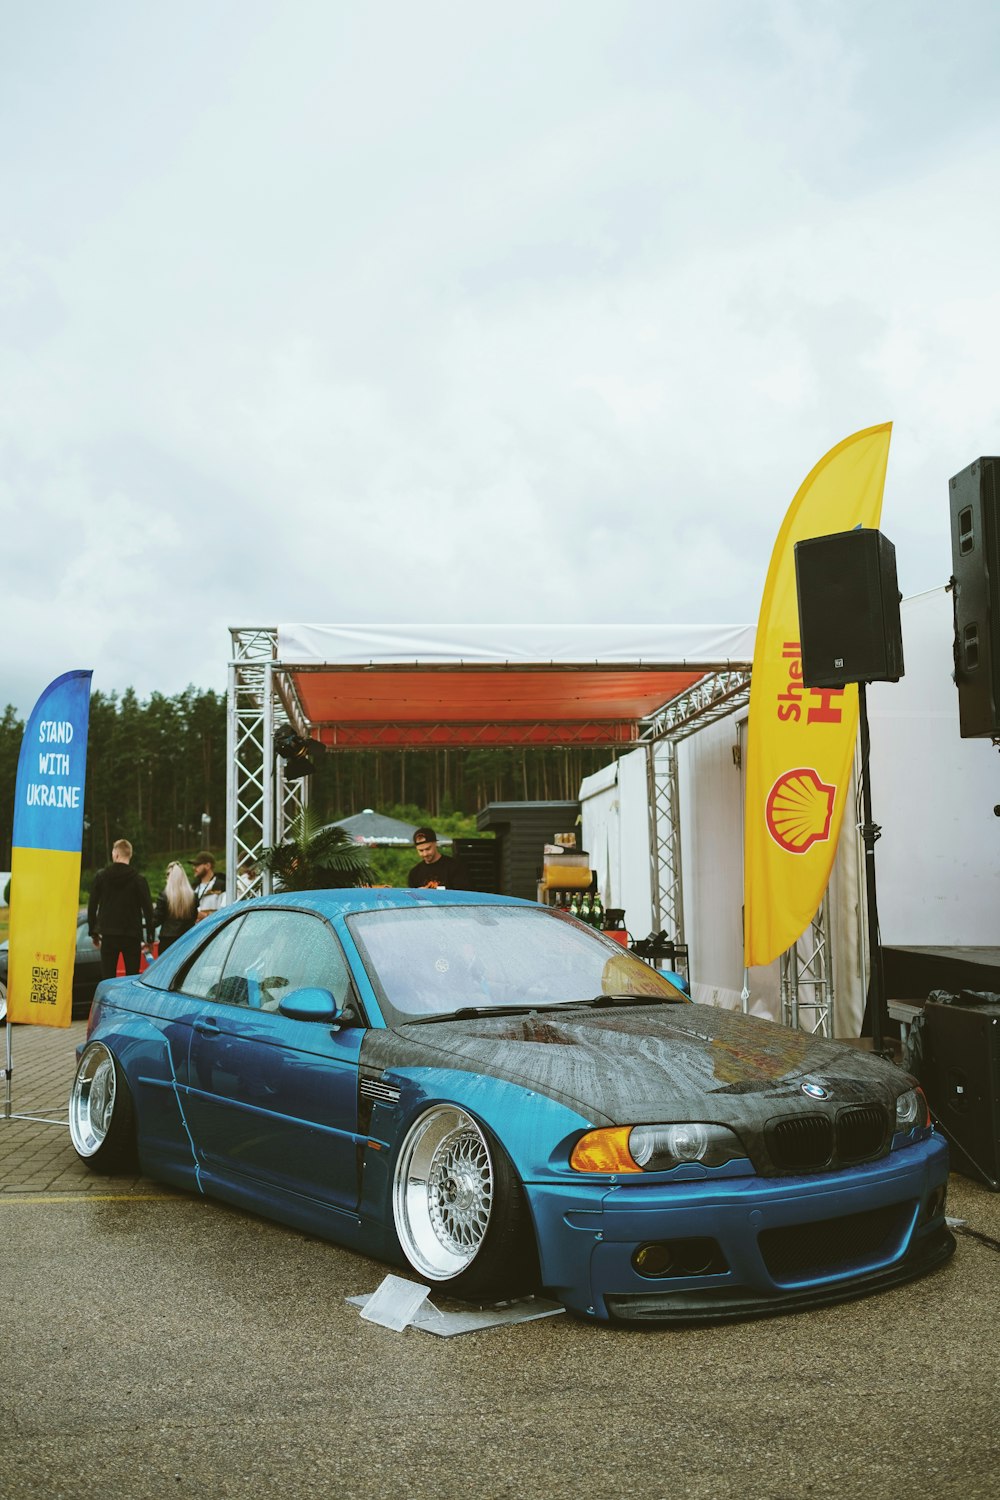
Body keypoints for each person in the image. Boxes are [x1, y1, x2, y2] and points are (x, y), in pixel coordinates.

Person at [88, 839, 156, 979]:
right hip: (131, 935)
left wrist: (93, 931)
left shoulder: (101, 876)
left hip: (108, 934)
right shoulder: (139, 880)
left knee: (108, 977)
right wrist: (150, 937)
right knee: (132, 976)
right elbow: (148, 910)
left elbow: (92, 905)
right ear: (129, 855)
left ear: (115, 854)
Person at [153, 861, 198, 951]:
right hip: (188, 939)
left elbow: (156, 920)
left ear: (169, 876)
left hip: (167, 941)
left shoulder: (164, 896)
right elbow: (194, 917)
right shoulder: (192, 896)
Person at [192, 851, 227, 920]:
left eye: (197, 865)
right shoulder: (193, 888)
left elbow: (225, 912)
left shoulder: (222, 886)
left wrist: (205, 916)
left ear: (208, 865)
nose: (194, 868)